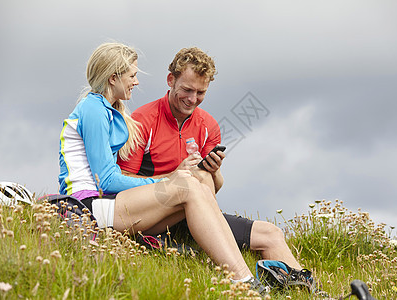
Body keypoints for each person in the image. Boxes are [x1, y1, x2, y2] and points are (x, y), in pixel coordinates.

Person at [58, 42, 268, 295]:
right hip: (86, 206)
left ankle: (243, 277)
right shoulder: (93, 109)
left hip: (107, 206)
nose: (136, 82)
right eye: (132, 75)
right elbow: (106, 180)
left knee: (196, 181)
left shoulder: (111, 111)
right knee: (186, 186)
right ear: (113, 78)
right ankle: (241, 280)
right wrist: (168, 179)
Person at [117, 47, 313, 282]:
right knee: (195, 179)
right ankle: (242, 278)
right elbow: (122, 182)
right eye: (187, 90)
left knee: (271, 234)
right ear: (170, 80)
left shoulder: (208, 125)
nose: (192, 99)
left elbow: (215, 187)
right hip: (153, 213)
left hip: (196, 213)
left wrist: (215, 170)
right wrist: (173, 176)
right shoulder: (142, 120)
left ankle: (310, 293)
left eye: (201, 92)